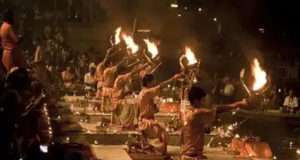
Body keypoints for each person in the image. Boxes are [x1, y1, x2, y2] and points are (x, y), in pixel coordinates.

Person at [181, 86, 247, 160]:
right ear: (196, 101)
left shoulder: (184, 110)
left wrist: (186, 93)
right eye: (203, 100)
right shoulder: (197, 113)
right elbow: (218, 109)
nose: (205, 103)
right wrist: (236, 104)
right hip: (193, 156)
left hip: (185, 154)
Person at [137, 73, 182, 155]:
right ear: (148, 83)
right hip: (146, 123)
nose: (154, 84)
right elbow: (161, 86)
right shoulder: (147, 92)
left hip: (145, 120)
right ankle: (145, 147)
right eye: (153, 82)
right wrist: (173, 78)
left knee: (163, 134)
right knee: (164, 135)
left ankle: (146, 146)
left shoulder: (142, 92)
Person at [111, 64, 148, 129]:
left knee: (134, 101)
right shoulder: (121, 77)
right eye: (125, 71)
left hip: (118, 98)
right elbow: (132, 73)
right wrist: (144, 66)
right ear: (122, 72)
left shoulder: (119, 78)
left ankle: (133, 123)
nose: (127, 72)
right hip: (117, 100)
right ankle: (129, 124)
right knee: (135, 103)